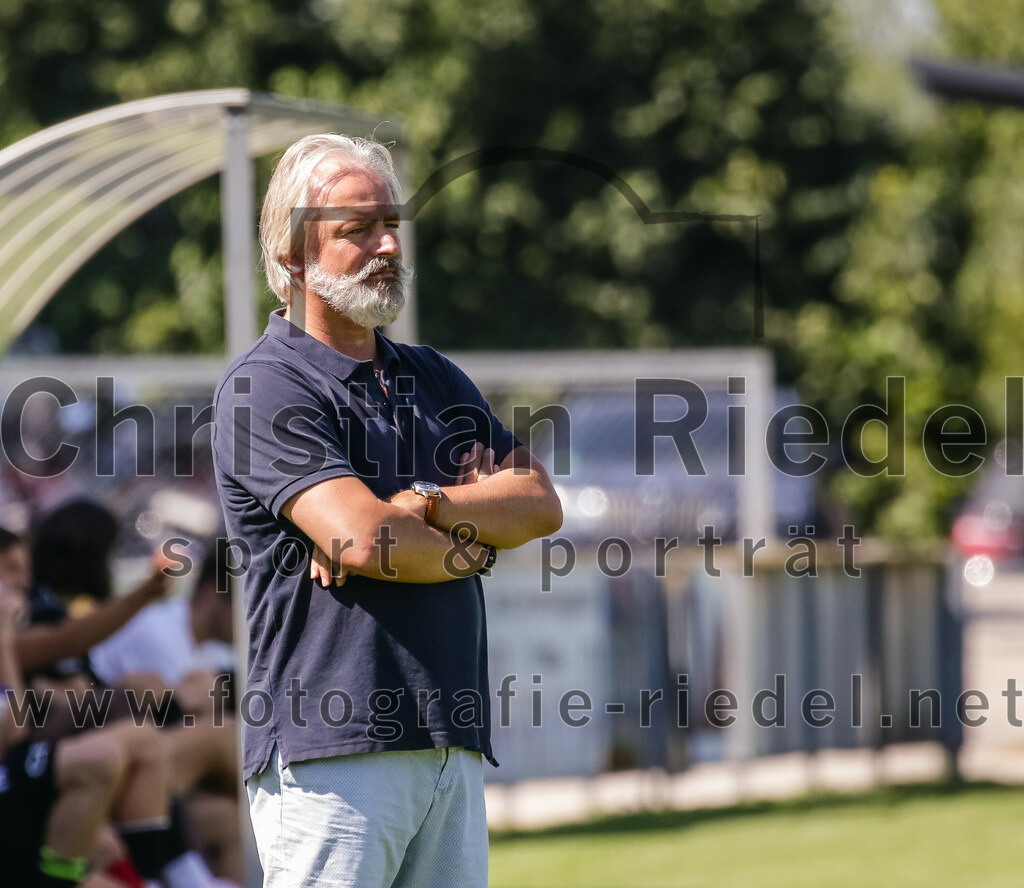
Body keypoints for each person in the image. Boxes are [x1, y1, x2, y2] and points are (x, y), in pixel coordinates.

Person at [211, 133, 562, 887]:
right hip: (333, 752)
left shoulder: (434, 374)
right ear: (294, 256)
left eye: (391, 224)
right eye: (357, 230)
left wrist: (427, 505)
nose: (388, 245)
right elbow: (366, 541)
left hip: (449, 743)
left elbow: (537, 503)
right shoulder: (266, 387)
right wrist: (475, 537)